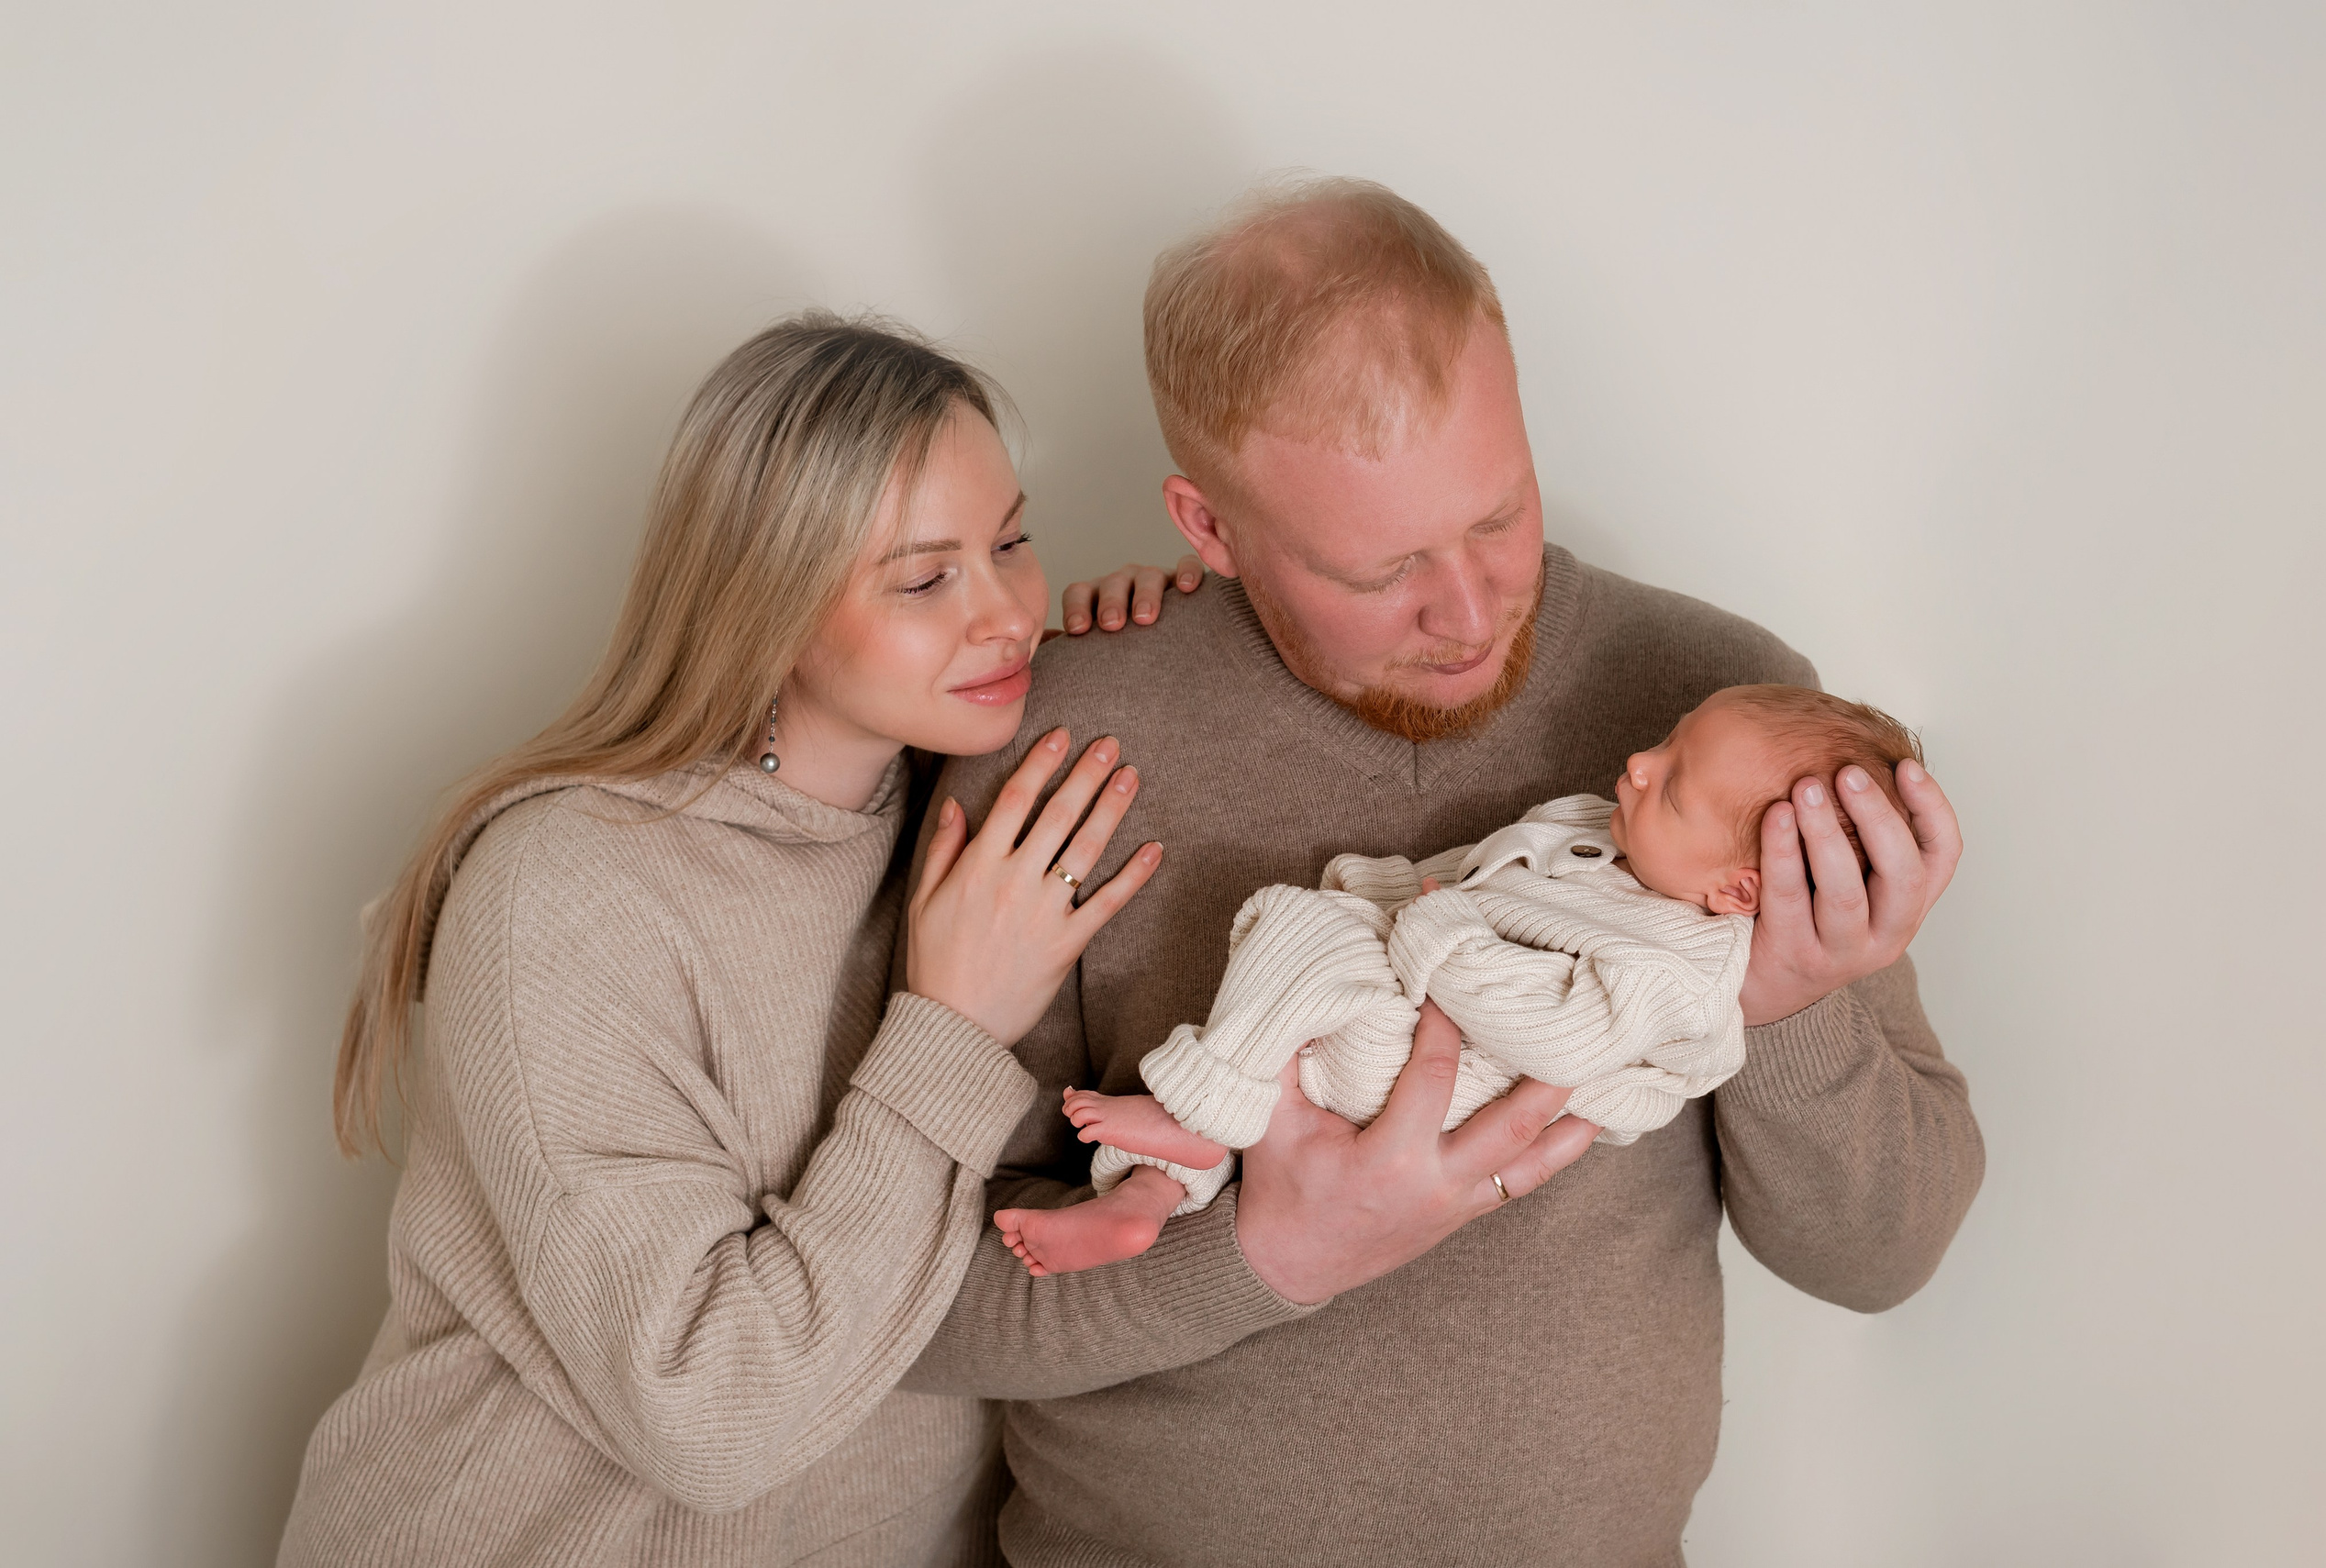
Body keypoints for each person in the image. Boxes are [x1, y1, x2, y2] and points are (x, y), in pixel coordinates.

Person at [900, 178, 1985, 1566]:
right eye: (1385, 569)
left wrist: (1785, 1005)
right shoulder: (1063, 744)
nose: (1468, 614)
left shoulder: (1729, 716)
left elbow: (1883, 1256)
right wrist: (1269, 1257)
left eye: (1498, 516)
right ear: (1210, 527)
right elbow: (902, 1308)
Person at [278, 313, 1174, 1567]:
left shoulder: (974, 830)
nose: (1008, 613)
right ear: (769, 602)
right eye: (925, 578)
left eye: (1014, 542)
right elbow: (708, 1417)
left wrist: (1169, 654)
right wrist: (952, 1031)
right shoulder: (569, 891)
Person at [996, 684, 1926, 1279]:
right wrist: (1402, 893)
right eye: (1666, 738)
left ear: (1737, 890)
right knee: (1288, 960)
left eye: (1673, 783)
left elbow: (1556, 1033)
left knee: (1295, 934)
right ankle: (1145, 1193)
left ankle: (1197, 1110)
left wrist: (1429, 924)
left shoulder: (1679, 970)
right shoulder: (1617, 843)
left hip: (1447, 1079)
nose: (1638, 766)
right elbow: (1478, 875)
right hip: (1404, 1022)